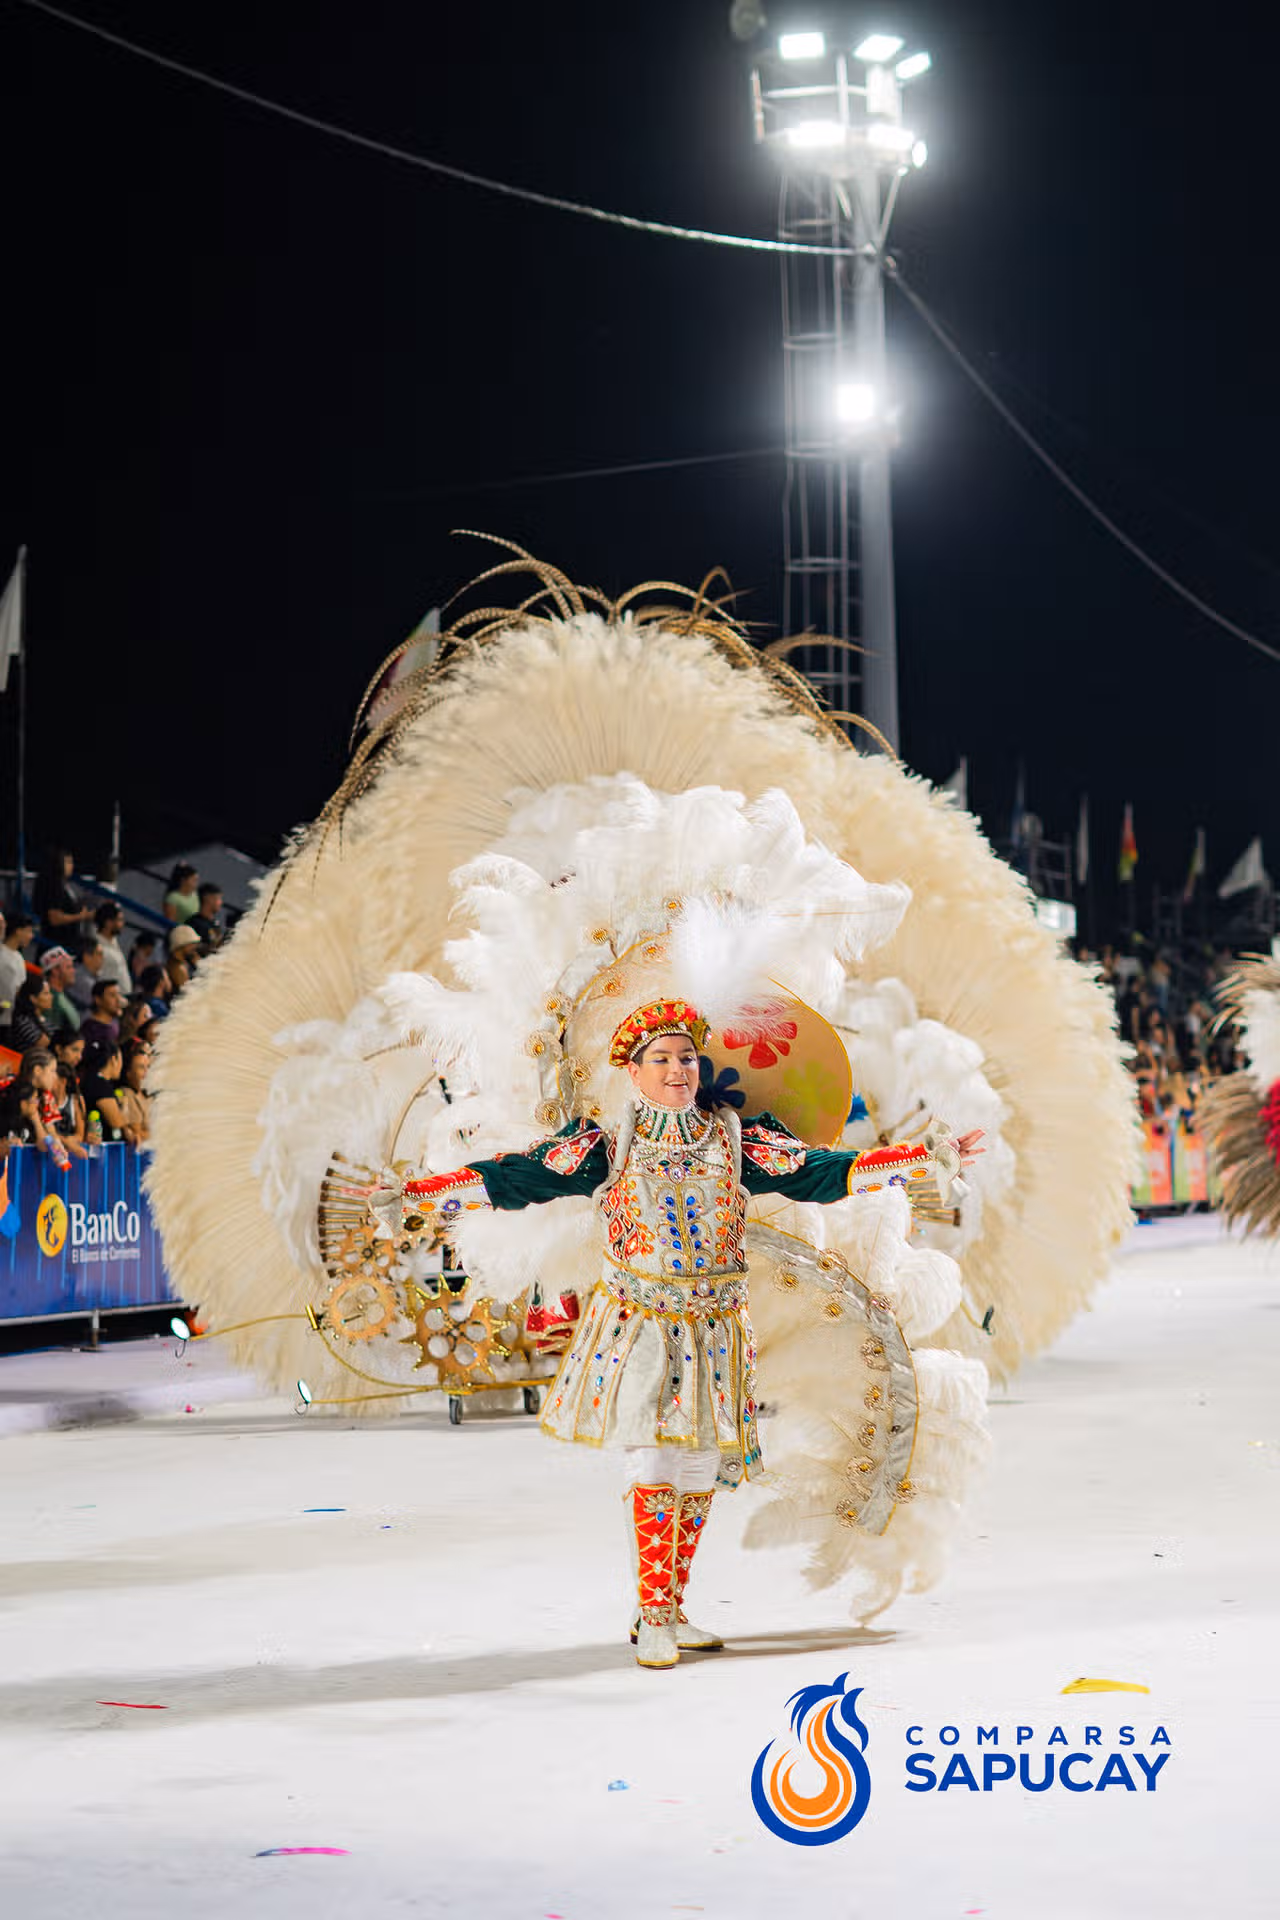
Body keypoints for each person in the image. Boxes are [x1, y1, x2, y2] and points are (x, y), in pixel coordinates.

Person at [361, 1001, 980, 1669]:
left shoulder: (737, 1139)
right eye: (661, 1059)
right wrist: (422, 1195)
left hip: (715, 1324)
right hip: (642, 1324)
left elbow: (823, 1173)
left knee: (697, 1466)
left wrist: (920, 1160)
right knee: (655, 1461)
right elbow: (515, 1180)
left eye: (686, 1057)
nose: (678, 1069)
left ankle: (671, 1607)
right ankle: (654, 1613)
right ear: (632, 1071)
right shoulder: (605, 1146)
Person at [33, 848, 93, 942]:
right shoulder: (52, 886)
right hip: (58, 940)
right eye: (68, 862)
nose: (72, 866)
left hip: (68, 938)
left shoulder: (63, 885)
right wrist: (80, 916)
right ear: (58, 864)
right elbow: (54, 918)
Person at [82, 1043, 130, 1144]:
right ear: (113, 1059)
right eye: (121, 1060)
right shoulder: (100, 1085)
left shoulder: (95, 1081)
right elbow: (116, 1122)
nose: (122, 1066)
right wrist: (125, 1106)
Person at [80, 978, 126, 1072]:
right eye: (112, 995)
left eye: (119, 994)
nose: (118, 1000)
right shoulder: (90, 1029)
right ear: (98, 1000)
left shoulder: (116, 1023)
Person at [114, 1039, 153, 1147]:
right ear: (128, 1073)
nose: (147, 1072)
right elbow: (137, 1132)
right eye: (141, 1067)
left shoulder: (150, 1097)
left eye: (148, 1067)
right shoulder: (126, 1094)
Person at [0, 911, 34, 1032]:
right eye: (29, 931)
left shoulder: (19, 958)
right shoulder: (1, 953)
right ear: (18, 930)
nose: (31, 936)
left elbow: (17, 992)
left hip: (8, 1020)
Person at [40, 947, 80, 1038]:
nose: (73, 971)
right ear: (55, 971)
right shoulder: (51, 999)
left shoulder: (61, 996)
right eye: (69, 967)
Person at [11, 973, 56, 1052]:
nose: (51, 997)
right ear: (33, 999)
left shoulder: (45, 1020)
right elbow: (47, 1044)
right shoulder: (22, 1020)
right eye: (46, 993)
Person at [93, 901, 130, 991]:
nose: (122, 924)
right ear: (108, 923)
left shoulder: (113, 941)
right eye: (119, 920)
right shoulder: (96, 946)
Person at [70, 937, 106, 1015]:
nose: (103, 958)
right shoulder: (79, 976)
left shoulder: (94, 975)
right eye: (99, 954)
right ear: (87, 957)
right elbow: (104, 1003)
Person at [187, 882, 226, 949]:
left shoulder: (215, 924)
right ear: (208, 898)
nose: (221, 902)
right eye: (218, 898)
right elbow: (189, 948)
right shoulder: (193, 924)